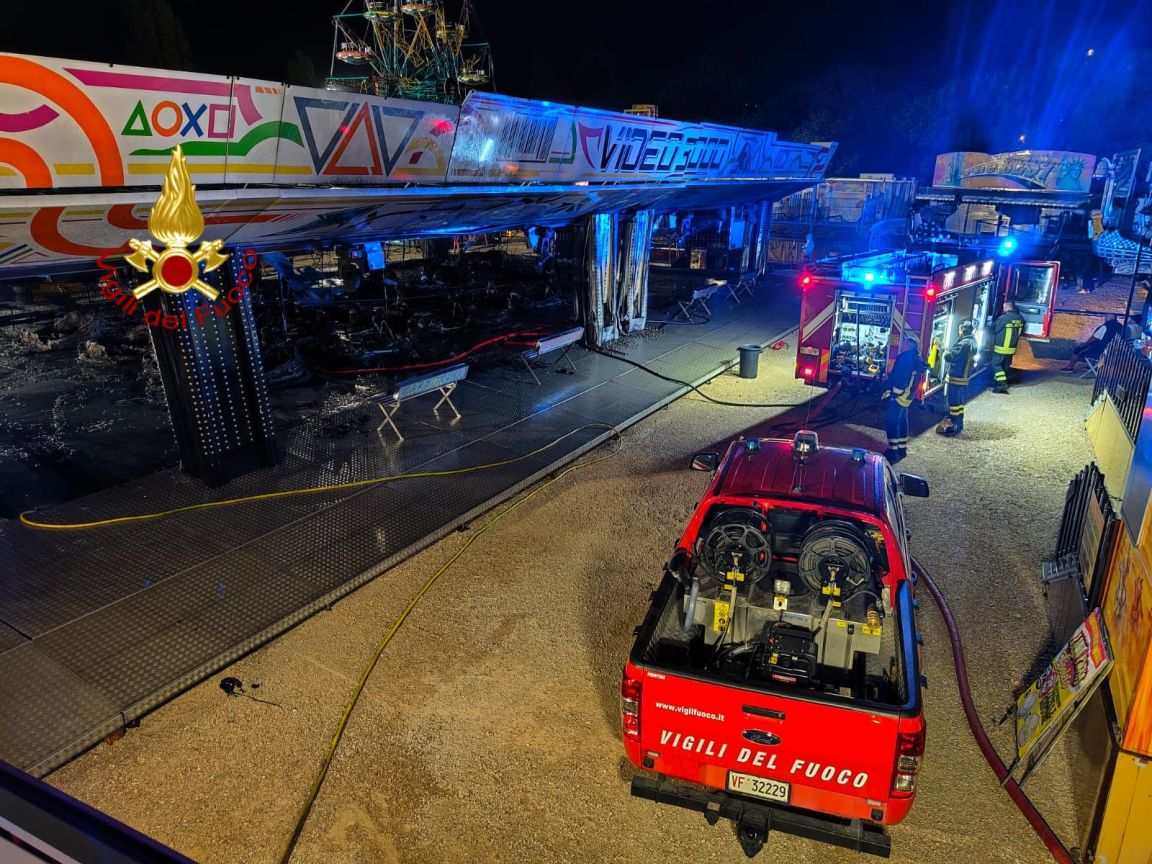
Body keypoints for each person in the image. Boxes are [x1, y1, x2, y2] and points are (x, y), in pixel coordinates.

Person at [882, 333, 928, 464]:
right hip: (907, 397)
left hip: (899, 396)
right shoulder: (916, 357)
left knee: (892, 422)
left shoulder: (904, 358)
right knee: (902, 421)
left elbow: (902, 378)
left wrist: (894, 394)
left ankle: (893, 451)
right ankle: (902, 448)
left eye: (905, 344)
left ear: (909, 346)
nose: (902, 346)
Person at [938, 320, 977, 437]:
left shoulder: (964, 343)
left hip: (956, 377)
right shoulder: (972, 341)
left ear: (961, 330)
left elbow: (951, 357)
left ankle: (953, 425)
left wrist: (944, 351)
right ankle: (959, 423)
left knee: (953, 403)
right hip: (964, 377)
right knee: (959, 403)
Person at [990, 301, 1026, 393]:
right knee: (1005, 367)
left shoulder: (1004, 318)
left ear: (1006, 307)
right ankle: (1000, 382)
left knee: (996, 365)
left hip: (1001, 348)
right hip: (1012, 348)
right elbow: (1021, 332)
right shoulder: (1020, 318)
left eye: (1004, 307)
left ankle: (1002, 385)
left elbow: (994, 329)